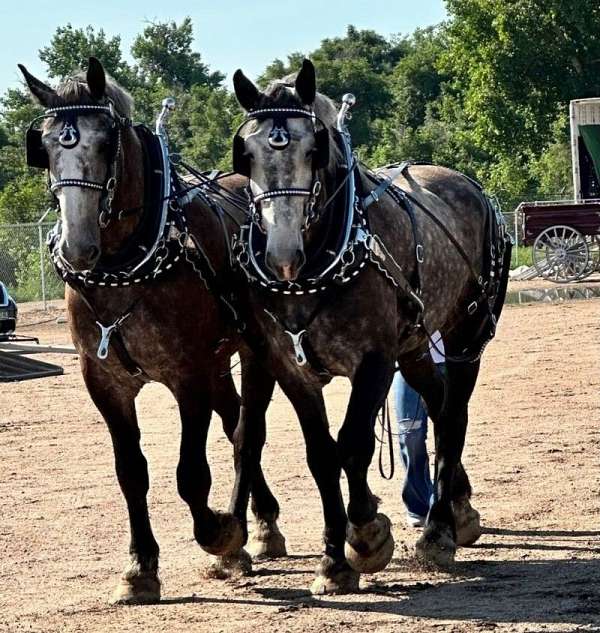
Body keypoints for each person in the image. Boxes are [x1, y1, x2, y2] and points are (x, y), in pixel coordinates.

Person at [393, 331, 445, 527]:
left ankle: (449, 498)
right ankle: (420, 504)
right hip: (407, 361)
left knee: (449, 432)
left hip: (447, 358)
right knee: (409, 433)